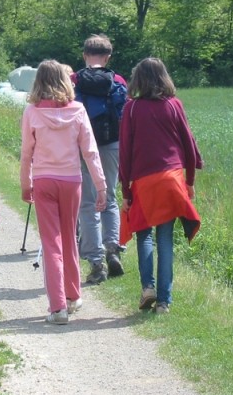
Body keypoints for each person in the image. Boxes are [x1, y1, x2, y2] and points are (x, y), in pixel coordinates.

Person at [20, 60, 107, 325]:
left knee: (51, 243)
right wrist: (101, 186)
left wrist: (26, 183)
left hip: (44, 181)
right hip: (72, 181)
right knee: (70, 238)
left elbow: (26, 153)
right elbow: (90, 152)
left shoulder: (32, 112)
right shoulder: (78, 110)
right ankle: (73, 295)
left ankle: (57, 307)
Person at [119, 57, 202, 314]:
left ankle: (148, 288)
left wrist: (126, 192)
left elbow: (125, 153)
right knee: (164, 237)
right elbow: (189, 146)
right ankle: (164, 302)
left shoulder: (132, 109)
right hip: (172, 179)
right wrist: (189, 182)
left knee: (144, 234)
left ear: (138, 80)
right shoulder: (174, 105)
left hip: (144, 182)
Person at [71, 34, 127, 284]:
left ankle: (96, 263)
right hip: (111, 143)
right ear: (108, 57)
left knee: (88, 202)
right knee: (110, 197)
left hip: (83, 146)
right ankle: (112, 248)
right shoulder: (117, 80)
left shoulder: (73, 80)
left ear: (84, 55)